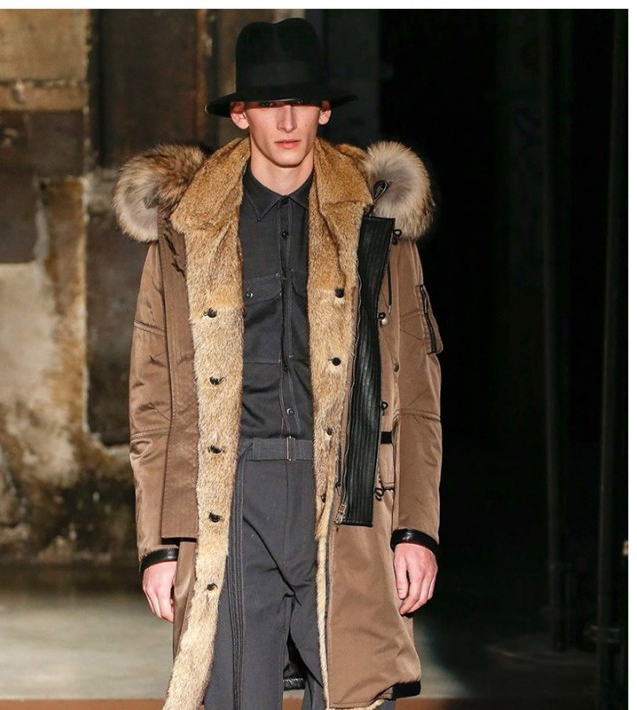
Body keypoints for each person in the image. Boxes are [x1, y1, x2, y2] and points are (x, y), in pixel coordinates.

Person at [113, 16, 442, 710]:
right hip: (230, 493)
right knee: (232, 696)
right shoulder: (187, 230)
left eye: (300, 102)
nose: (287, 121)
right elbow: (155, 396)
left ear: (324, 109)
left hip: (352, 493)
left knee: (355, 692)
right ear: (241, 114)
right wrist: (161, 542)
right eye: (268, 103)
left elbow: (416, 388)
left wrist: (416, 529)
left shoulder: (377, 226)